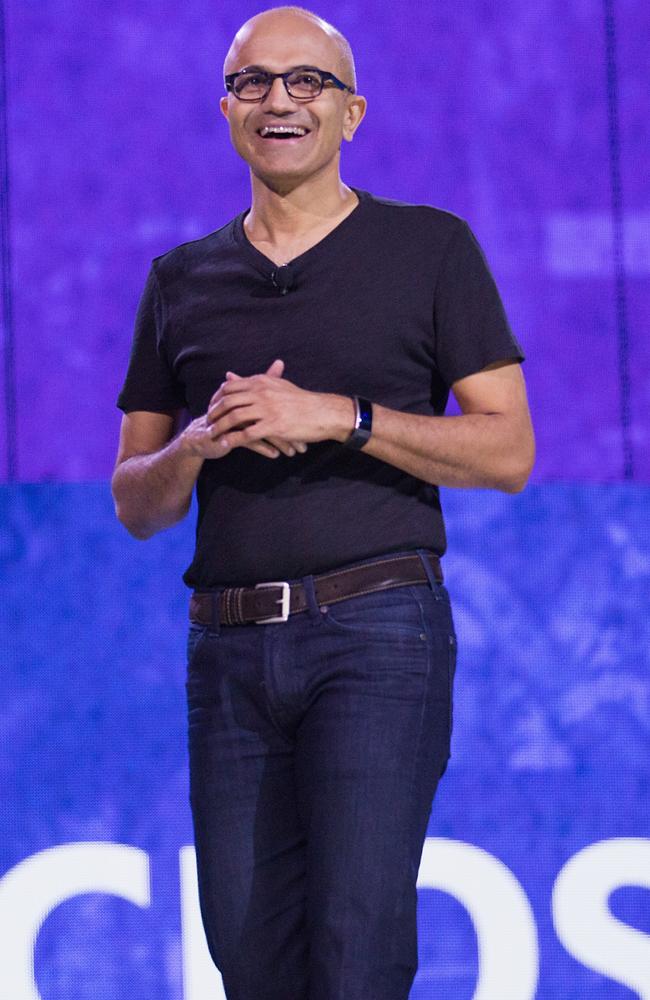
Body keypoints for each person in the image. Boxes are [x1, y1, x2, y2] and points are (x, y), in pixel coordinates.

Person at [111, 5, 535, 998]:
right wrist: (196, 444)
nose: (279, 100)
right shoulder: (179, 280)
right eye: (254, 82)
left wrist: (340, 418)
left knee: (354, 950)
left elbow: (507, 449)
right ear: (226, 111)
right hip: (226, 649)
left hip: (374, 631)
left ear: (352, 113)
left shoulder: (429, 249)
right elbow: (134, 498)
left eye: (307, 82)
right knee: (247, 954)